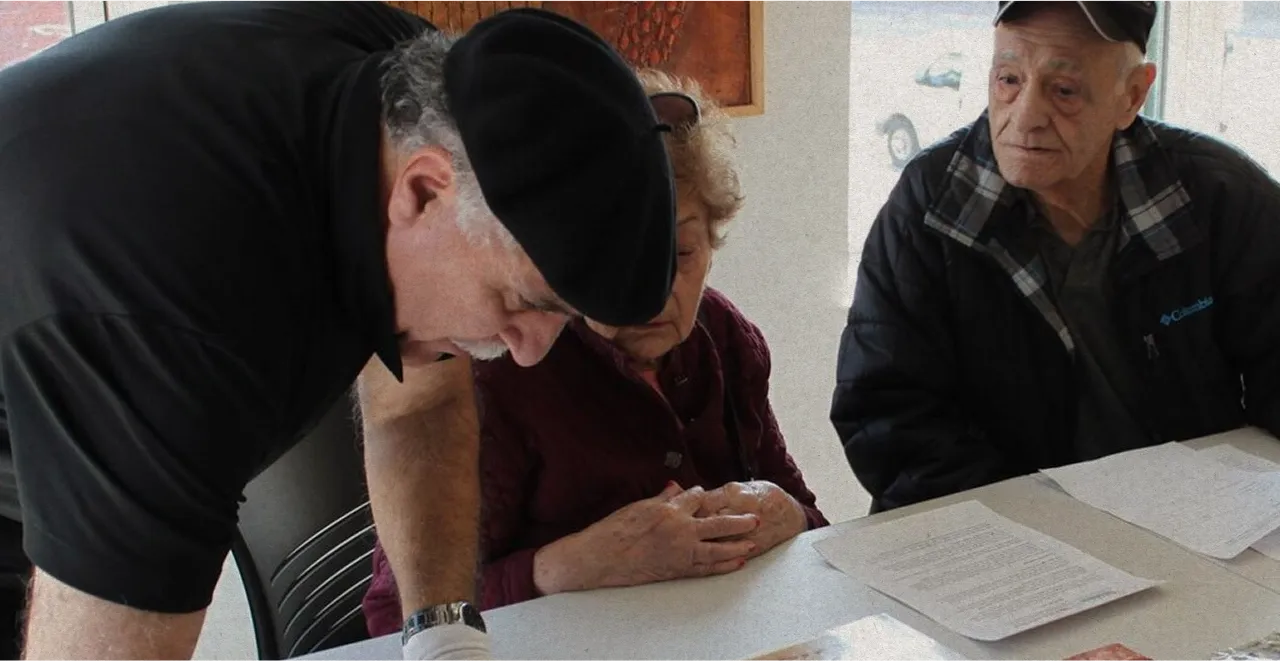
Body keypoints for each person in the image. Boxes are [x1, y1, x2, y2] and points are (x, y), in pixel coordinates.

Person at [0, 3, 684, 659]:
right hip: (84, 295)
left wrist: (446, 634)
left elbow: (419, 401)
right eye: (519, 299)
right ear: (422, 190)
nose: (530, 351)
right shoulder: (175, 320)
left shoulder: (421, 96)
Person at [361, 70, 829, 634]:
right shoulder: (505, 366)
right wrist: (560, 569)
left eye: (680, 252)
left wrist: (787, 512)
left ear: (713, 242)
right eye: (619, 254)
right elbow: (394, 620)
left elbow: (809, 517)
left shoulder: (724, 335)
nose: (650, 288)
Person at [831, 0, 1280, 514]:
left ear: (1132, 95)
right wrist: (1045, 525)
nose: (1025, 118)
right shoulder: (933, 207)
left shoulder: (1217, 196)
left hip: (1192, 523)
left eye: (1063, 91)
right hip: (998, 535)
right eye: (1008, 80)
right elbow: (887, 416)